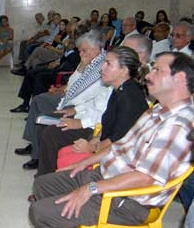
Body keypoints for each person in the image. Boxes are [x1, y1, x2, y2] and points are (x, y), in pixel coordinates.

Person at [29, 52, 194, 228]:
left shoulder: (179, 126)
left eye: (157, 70)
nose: (148, 75)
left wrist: (91, 188)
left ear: (179, 78)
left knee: (39, 212)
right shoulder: (158, 109)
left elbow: (145, 178)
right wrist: (85, 162)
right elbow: (120, 144)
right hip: (107, 175)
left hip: (127, 200)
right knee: (42, 185)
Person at [43, 46, 148, 175]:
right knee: (62, 147)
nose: (102, 68)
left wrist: (92, 147)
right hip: (103, 141)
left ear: (123, 70)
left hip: (119, 155)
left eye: (108, 64)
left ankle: (51, 182)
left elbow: (119, 139)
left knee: (65, 154)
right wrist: (94, 140)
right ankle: (50, 180)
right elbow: (108, 125)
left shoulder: (130, 98)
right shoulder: (119, 89)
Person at [14, 31, 111, 170]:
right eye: (80, 50)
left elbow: (85, 96)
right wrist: (81, 67)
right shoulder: (88, 60)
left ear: (95, 49)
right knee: (38, 100)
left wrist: (67, 101)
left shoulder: (101, 66)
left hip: (77, 105)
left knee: (41, 104)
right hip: (71, 100)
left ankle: (37, 154)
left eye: (84, 50)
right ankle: (35, 144)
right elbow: (73, 84)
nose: (81, 54)